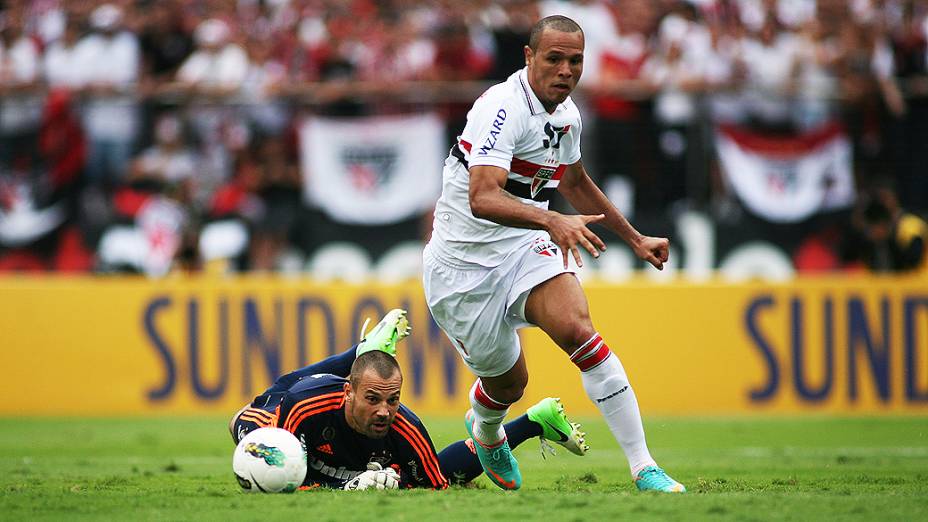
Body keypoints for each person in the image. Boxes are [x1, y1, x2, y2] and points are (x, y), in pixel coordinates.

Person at [422, 15, 684, 492]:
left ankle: (644, 466)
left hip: (522, 245)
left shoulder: (566, 116)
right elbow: (482, 196)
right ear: (529, 58)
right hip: (461, 267)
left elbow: (575, 182)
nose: (566, 70)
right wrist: (551, 218)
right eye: (554, 58)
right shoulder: (501, 107)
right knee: (509, 386)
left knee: (579, 332)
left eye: (576, 60)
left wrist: (635, 238)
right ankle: (485, 432)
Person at [230, 309, 588, 490]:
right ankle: (360, 351)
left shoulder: (405, 427)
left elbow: (437, 484)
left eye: (393, 400)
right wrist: (348, 485)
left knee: (434, 469)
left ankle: (534, 421)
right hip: (292, 402)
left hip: (342, 427)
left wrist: (394, 480)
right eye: (373, 399)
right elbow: (292, 468)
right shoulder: (304, 406)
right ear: (348, 391)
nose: (384, 411)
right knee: (241, 425)